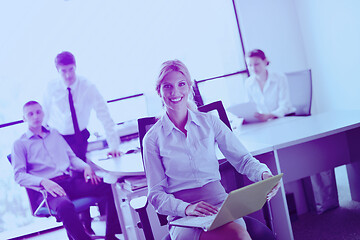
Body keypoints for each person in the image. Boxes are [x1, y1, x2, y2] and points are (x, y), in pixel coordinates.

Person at [143, 60, 280, 240]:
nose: (175, 92)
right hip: (183, 215)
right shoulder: (152, 139)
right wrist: (186, 208)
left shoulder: (209, 122)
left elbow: (243, 159)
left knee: (238, 235)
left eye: (181, 84)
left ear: (190, 87)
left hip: (220, 206)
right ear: (159, 91)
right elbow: (156, 194)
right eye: (167, 86)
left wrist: (264, 175)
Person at [11, 101, 121, 240]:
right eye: (30, 114)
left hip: (69, 181)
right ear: (24, 118)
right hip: (49, 189)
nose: (35, 116)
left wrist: (86, 167)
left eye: (38, 112)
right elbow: (18, 175)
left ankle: (111, 234)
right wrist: (43, 181)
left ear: (43, 113)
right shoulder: (19, 144)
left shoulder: (54, 134)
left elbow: (71, 158)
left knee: (109, 187)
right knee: (65, 206)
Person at [43, 51, 121, 161]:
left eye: (71, 69)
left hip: (79, 138)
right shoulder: (51, 87)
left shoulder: (88, 87)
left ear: (75, 67)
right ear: (57, 70)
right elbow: (44, 114)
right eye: (63, 71)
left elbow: (104, 115)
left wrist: (114, 146)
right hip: (57, 137)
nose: (68, 75)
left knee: (80, 170)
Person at [245, 49, 295, 122]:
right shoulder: (248, 83)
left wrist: (269, 116)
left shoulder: (280, 78)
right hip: (267, 122)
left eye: (256, 64)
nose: (253, 68)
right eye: (250, 65)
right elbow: (250, 106)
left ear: (265, 61)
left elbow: (285, 106)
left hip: (286, 118)